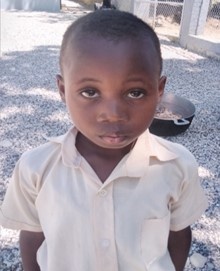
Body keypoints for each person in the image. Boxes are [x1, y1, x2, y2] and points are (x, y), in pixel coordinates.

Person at [0, 10, 207, 271]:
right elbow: (32, 236)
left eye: (135, 92)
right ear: (63, 90)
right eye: (90, 92)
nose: (113, 114)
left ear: (159, 90)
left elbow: (178, 234)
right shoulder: (35, 169)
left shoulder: (177, 165)